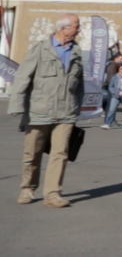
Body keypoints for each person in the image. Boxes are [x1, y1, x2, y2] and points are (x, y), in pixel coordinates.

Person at [8, 14, 83, 208]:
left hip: (66, 111)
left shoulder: (76, 51)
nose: (79, 30)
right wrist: (17, 105)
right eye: (77, 26)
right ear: (64, 28)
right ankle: (28, 188)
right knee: (32, 153)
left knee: (60, 154)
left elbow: (80, 84)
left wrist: (78, 108)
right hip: (38, 111)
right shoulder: (40, 50)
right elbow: (23, 77)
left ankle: (53, 194)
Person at [102, 52, 122, 129]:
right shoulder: (112, 66)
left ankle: (110, 120)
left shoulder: (116, 65)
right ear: (116, 58)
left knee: (112, 105)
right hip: (112, 87)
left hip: (113, 87)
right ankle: (108, 121)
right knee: (111, 105)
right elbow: (113, 79)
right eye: (121, 59)